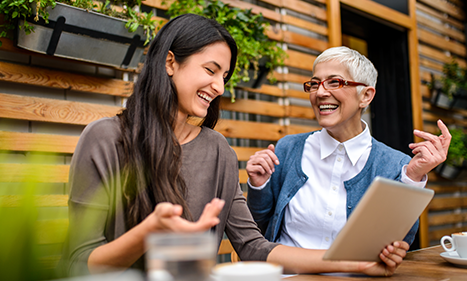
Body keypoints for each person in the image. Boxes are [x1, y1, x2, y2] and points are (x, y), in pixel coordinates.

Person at [61, 15, 408, 277]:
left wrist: (358, 263)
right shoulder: (105, 139)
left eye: (224, 76)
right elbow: (80, 263)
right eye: (210, 70)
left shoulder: (217, 151)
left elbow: (254, 247)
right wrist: (149, 231)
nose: (219, 87)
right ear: (170, 62)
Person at [246, 46, 451, 251]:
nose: (321, 92)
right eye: (315, 84)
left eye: (335, 82)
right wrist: (259, 186)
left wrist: (412, 179)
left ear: (366, 96)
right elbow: (259, 228)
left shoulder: (397, 165)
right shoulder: (288, 149)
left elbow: (397, 244)